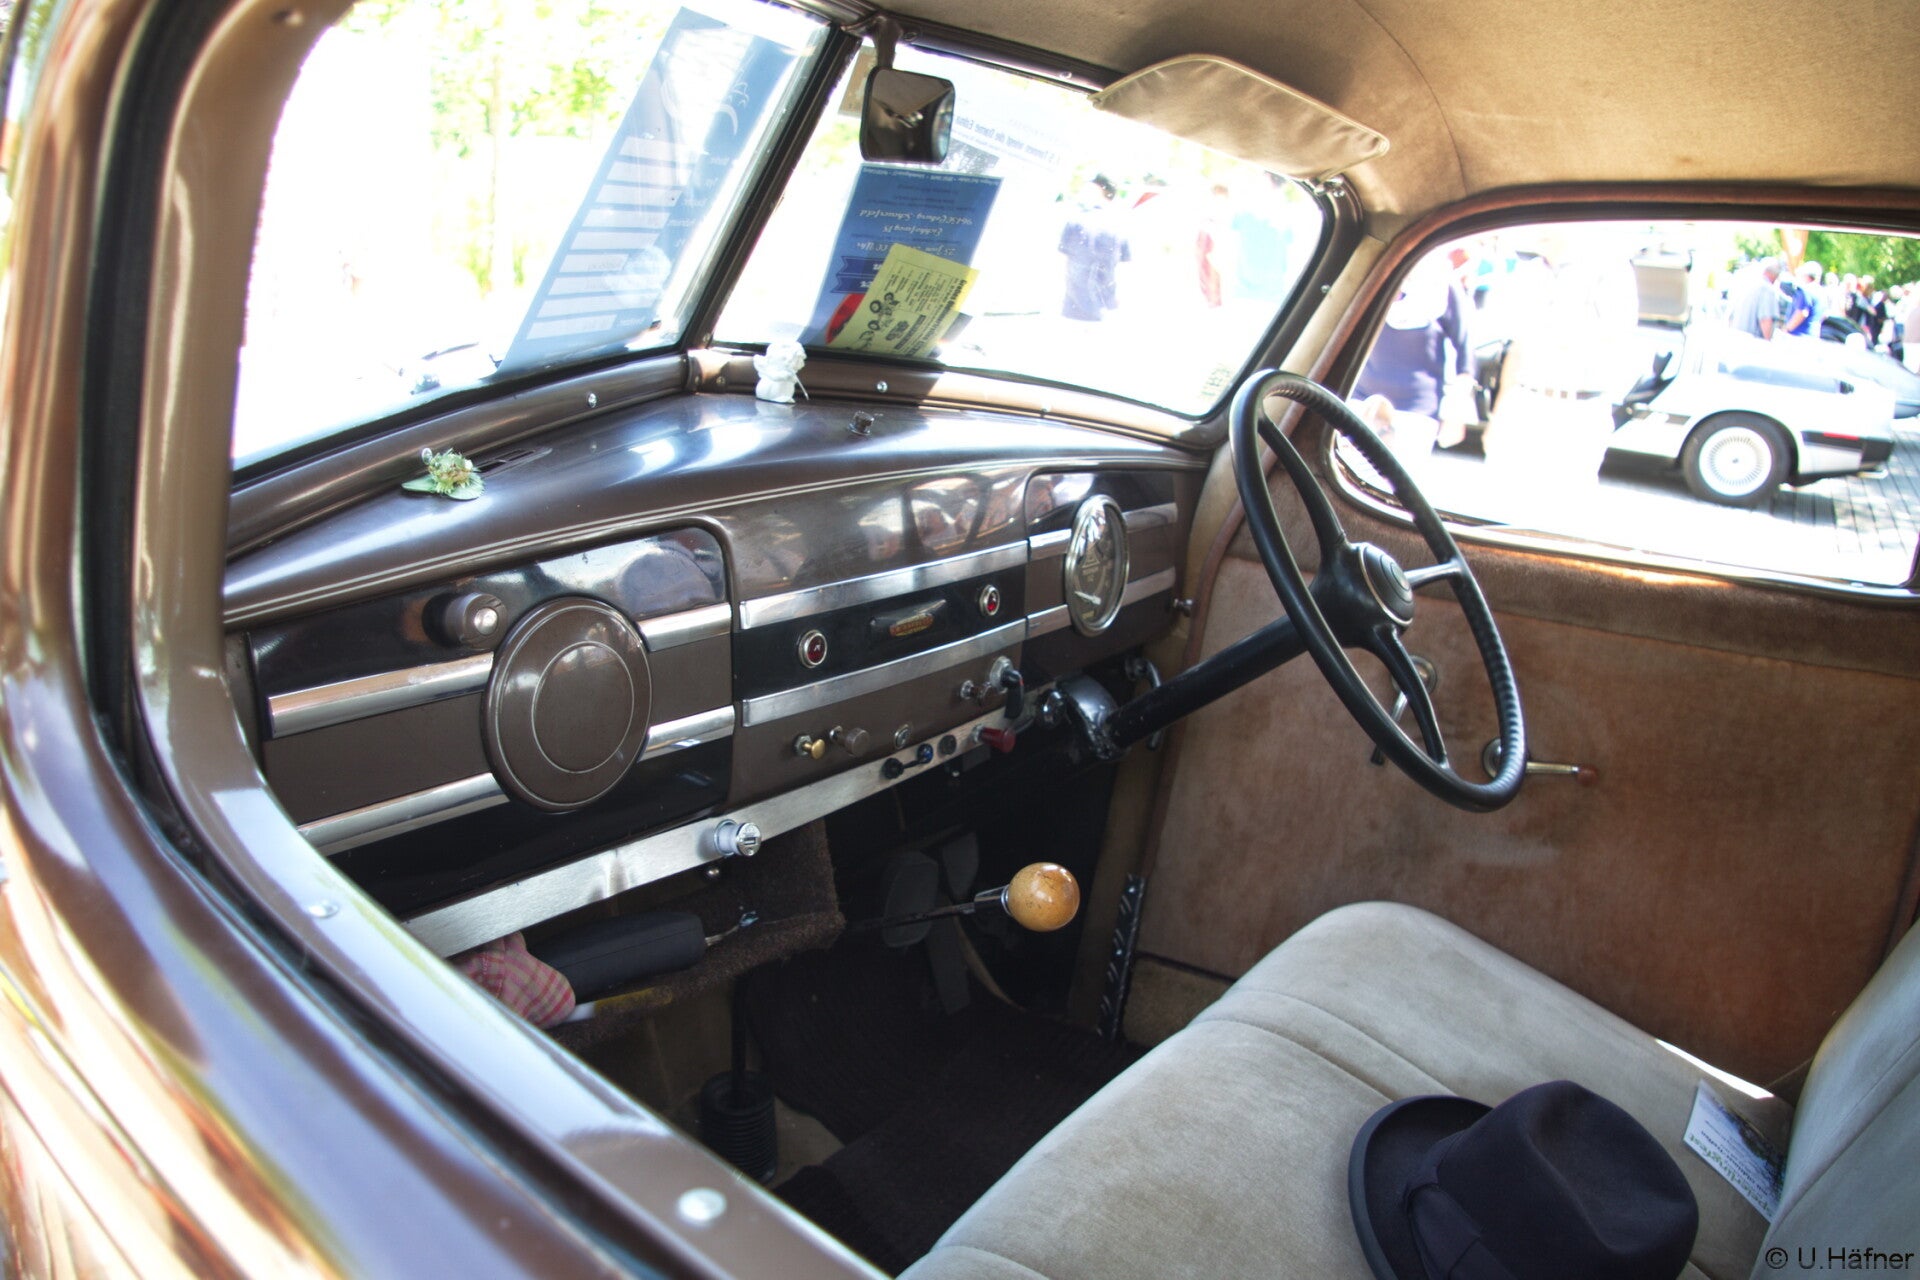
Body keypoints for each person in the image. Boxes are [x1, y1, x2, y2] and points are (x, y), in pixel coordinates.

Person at [1352, 254, 1476, 468]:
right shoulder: (1375, 274)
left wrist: (1455, 414)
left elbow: (1465, 355)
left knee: (1399, 481)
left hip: (1417, 410)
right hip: (1363, 401)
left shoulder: (1442, 286)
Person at [1058, 175, 1131, 322]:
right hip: (1104, 308)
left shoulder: (1075, 221)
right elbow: (1124, 268)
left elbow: (1061, 261)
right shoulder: (1121, 226)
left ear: (1100, 193)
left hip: (1073, 307)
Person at [1725, 256, 1786, 339]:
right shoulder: (1767, 290)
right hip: (1753, 342)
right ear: (1775, 275)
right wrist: (1768, 342)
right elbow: (1765, 320)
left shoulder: (1746, 284)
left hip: (1736, 337)